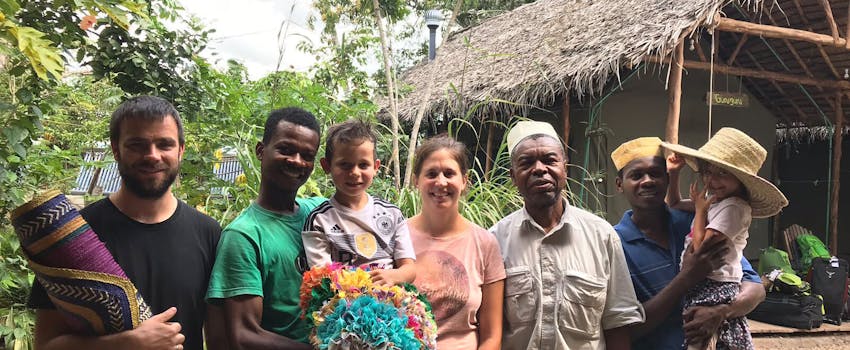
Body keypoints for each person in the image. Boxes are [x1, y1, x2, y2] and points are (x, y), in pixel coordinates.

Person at [28, 95, 223, 350]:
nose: (152, 156)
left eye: (164, 144)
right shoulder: (72, 236)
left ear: (181, 150)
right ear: (116, 149)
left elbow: (219, 336)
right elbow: (46, 344)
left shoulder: (209, 233)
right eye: (137, 145)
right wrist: (126, 343)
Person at [489, 120, 644, 350]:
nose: (540, 169)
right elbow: (489, 329)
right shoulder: (494, 241)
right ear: (513, 176)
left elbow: (617, 323)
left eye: (550, 160)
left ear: (565, 168)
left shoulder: (602, 236)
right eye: (527, 162)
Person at [609, 136, 767, 350]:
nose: (647, 181)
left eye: (656, 174)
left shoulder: (696, 222)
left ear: (667, 179)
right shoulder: (613, 244)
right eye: (636, 175)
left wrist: (722, 311)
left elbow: (755, 288)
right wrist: (686, 278)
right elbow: (621, 330)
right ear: (620, 184)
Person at [205, 107, 325, 349]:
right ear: (261, 151)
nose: (296, 161)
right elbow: (244, 335)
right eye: (286, 150)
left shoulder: (320, 213)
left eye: (307, 155)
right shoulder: (244, 236)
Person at [661, 128, 787, 350]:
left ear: (741, 180)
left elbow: (700, 248)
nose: (713, 180)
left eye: (723, 173)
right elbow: (674, 204)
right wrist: (673, 174)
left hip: (714, 283)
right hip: (704, 281)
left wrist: (700, 211)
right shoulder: (718, 200)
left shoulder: (734, 208)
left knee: (702, 335)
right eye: (709, 172)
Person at [407, 135, 506, 349]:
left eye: (449, 173)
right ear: (417, 180)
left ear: (464, 181)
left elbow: (492, 336)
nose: (441, 182)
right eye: (431, 174)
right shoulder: (397, 238)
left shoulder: (485, 244)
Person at [302, 119, 415, 285]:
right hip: (341, 304)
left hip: (393, 302)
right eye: (345, 165)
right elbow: (322, 279)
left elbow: (409, 269)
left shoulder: (392, 213)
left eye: (363, 165)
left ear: (376, 167)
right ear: (327, 166)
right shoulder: (319, 220)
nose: (354, 173)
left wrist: (393, 276)